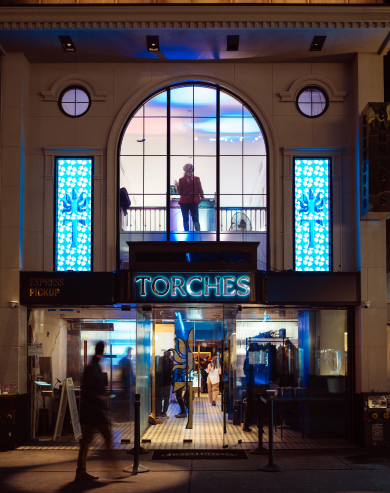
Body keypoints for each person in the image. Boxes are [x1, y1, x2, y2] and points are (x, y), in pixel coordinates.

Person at [76, 341, 112, 480]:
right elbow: (91, 389)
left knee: (86, 440)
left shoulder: (93, 365)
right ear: (102, 351)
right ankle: (111, 468)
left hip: (91, 410)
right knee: (107, 435)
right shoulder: (93, 367)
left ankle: (81, 470)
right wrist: (100, 398)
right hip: (94, 411)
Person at [174, 163, 204, 232]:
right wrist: (202, 196)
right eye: (188, 171)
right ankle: (198, 235)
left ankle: (187, 235)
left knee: (186, 219)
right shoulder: (196, 179)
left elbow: (180, 193)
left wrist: (178, 185)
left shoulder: (182, 179)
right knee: (195, 219)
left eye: (190, 171)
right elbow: (200, 189)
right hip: (193, 201)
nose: (189, 173)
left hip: (184, 201)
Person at [118, 347, 135, 421]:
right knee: (127, 400)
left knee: (127, 400)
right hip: (126, 383)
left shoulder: (126, 361)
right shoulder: (126, 361)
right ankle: (127, 415)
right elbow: (126, 373)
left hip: (127, 383)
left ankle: (126, 415)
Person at [155, 351, 173, 418]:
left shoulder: (159, 360)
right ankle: (163, 412)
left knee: (159, 397)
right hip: (166, 382)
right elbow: (172, 372)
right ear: (169, 355)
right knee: (166, 398)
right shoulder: (170, 362)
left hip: (160, 382)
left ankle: (158, 412)